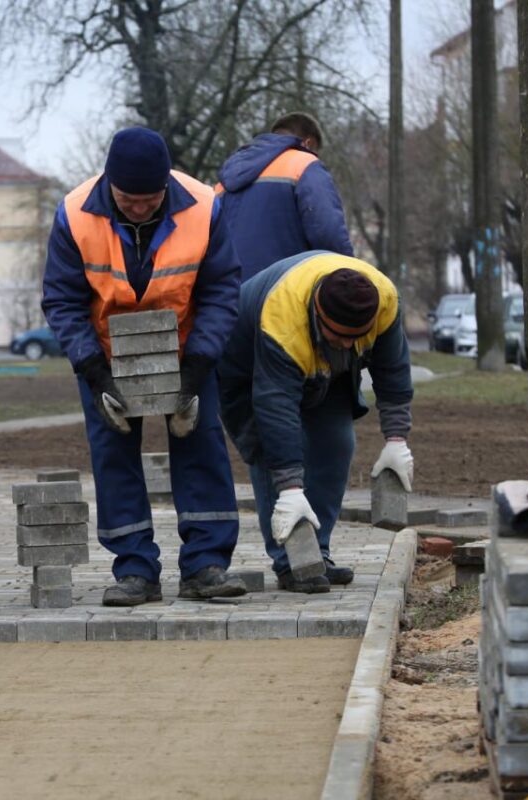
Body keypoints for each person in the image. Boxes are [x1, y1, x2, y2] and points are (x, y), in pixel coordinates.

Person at [42, 126, 245, 606]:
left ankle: (205, 566)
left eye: (149, 199)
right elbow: (63, 299)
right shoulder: (74, 214)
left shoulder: (202, 206)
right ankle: (134, 569)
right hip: (107, 354)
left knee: (201, 448)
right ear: (109, 183)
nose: (138, 208)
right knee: (114, 456)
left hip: (187, 347)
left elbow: (221, 290)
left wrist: (197, 368)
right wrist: (94, 372)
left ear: (166, 186)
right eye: (127, 200)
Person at [216, 251, 414, 592]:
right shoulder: (284, 320)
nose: (349, 344)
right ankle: (290, 562)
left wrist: (397, 439)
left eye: (357, 337)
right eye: (340, 336)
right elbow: (276, 411)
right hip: (246, 366)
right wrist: (291, 489)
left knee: (337, 443)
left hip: (326, 370)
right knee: (271, 451)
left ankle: (317, 553)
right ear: (317, 315)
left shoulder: (383, 301)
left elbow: (392, 371)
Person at [215, 111, 354, 280]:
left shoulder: (223, 181)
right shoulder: (304, 163)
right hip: (281, 291)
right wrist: (350, 275)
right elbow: (327, 231)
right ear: (308, 143)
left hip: (227, 294)